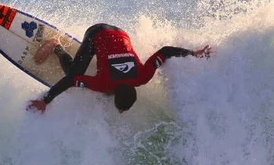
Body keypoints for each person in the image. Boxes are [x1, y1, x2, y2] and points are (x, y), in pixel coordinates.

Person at [27, 23, 211, 113]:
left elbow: (166, 51)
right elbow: (69, 81)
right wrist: (46, 100)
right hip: (96, 33)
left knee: (99, 87)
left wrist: (193, 53)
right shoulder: (102, 83)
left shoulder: (142, 76)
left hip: (120, 32)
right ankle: (55, 46)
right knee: (74, 73)